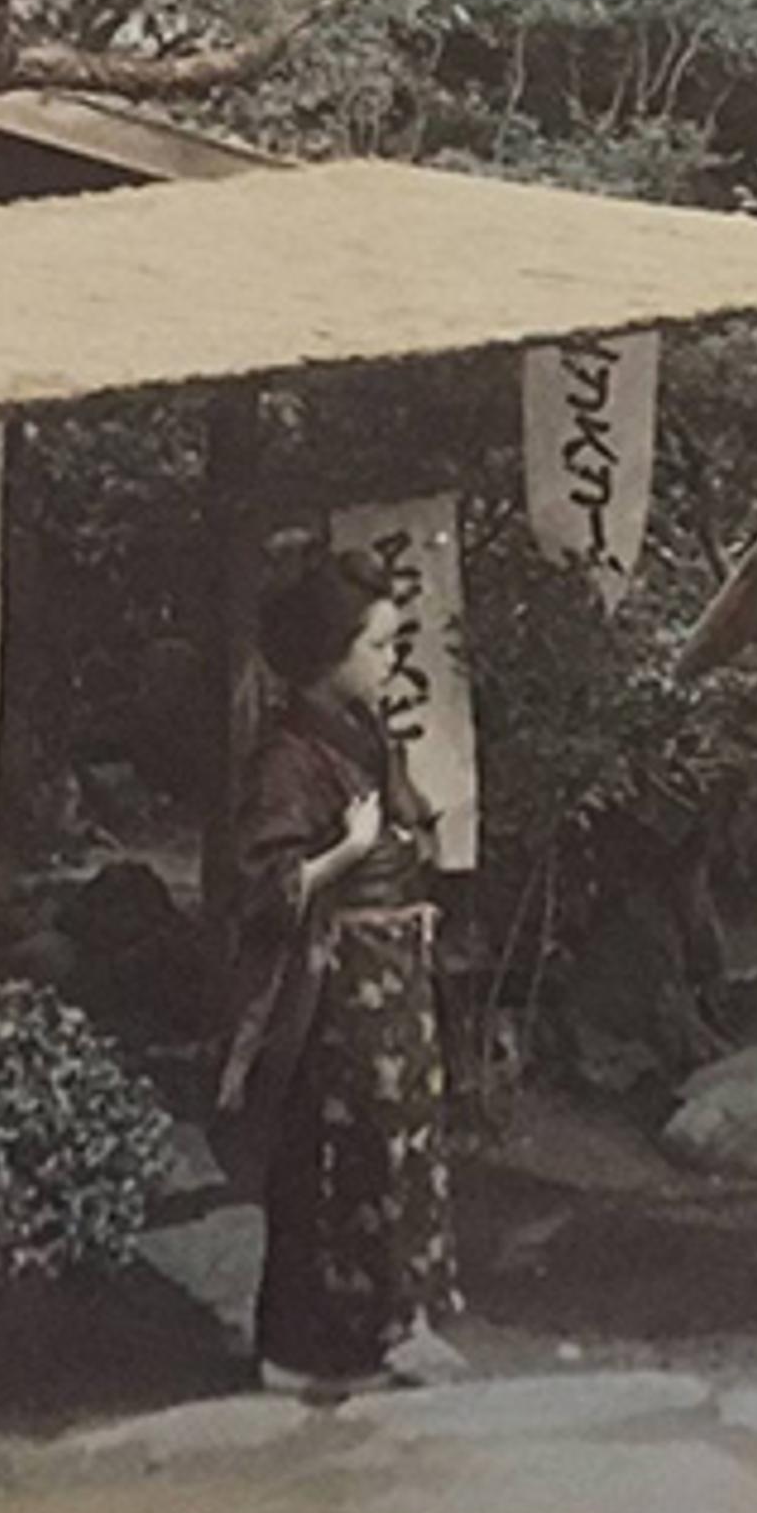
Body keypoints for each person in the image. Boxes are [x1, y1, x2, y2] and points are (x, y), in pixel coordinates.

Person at [217, 559, 468, 1397]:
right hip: (337, 982)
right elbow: (264, 886)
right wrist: (347, 855)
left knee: (403, 1142)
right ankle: (318, 1344)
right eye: (380, 644)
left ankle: (399, 1322)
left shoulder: (363, 728)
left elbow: (413, 820)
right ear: (330, 651)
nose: (392, 660)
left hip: (394, 968)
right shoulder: (287, 756)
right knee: (344, 1150)